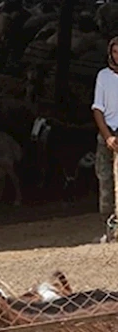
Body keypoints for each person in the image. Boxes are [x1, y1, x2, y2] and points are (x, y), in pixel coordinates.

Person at [92, 37, 118, 241]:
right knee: (105, 179)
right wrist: (107, 136)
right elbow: (98, 109)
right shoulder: (103, 76)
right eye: (115, 52)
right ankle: (110, 228)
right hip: (109, 132)